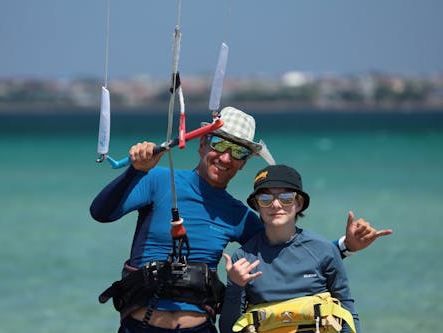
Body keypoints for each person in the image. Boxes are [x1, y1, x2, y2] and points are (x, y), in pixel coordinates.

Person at [90, 106, 390, 333]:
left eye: (238, 151)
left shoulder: (238, 215)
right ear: (202, 144)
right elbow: (101, 213)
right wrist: (135, 171)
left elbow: (284, 252)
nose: (225, 157)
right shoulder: (158, 180)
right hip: (140, 325)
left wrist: (345, 246)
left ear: (244, 162)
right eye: (219, 144)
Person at [219, 165, 361, 333]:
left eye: (286, 198)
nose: (276, 205)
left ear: (299, 203)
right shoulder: (244, 259)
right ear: (257, 205)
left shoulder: (323, 249)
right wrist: (235, 285)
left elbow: (348, 314)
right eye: (266, 199)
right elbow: (228, 329)